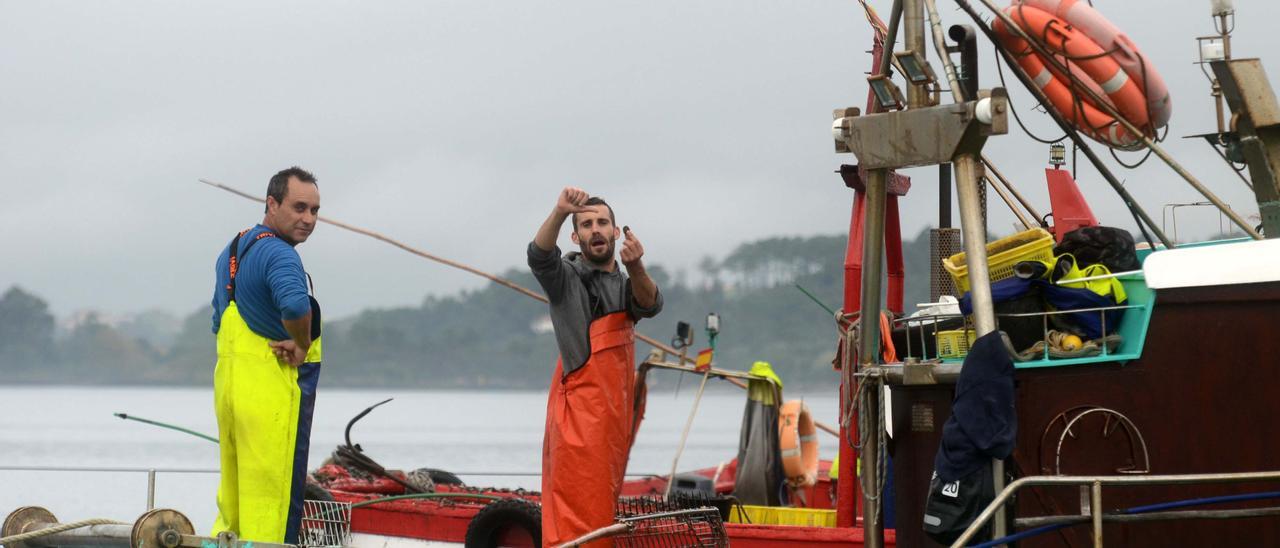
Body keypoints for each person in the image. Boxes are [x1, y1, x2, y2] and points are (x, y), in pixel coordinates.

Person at [528, 186, 662, 547]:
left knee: (604, 508)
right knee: (574, 513)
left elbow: (650, 305)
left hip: (613, 421)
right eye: (586, 224)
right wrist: (558, 211)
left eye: (603, 222)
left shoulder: (627, 281)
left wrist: (636, 266)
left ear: (616, 233)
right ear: (576, 236)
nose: (595, 229)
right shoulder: (564, 279)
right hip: (577, 422)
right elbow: (539, 256)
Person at [210, 166, 324, 544]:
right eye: (298, 207)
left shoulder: (233, 249)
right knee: (272, 506)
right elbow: (293, 304)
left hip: (230, 394)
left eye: (315, 211)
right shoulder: (281, 255)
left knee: (233, 504)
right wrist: (302, 345)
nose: (308, 219)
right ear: (271, 204)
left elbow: (219, 321)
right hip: (269, 396)